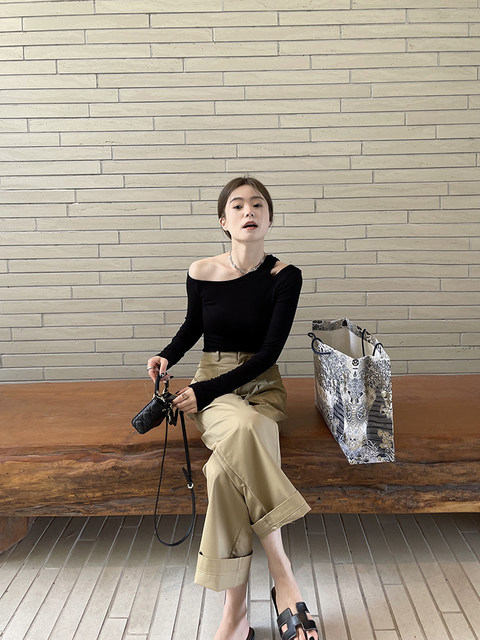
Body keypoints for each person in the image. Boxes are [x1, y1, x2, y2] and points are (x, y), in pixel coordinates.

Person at [146, 176, 318, 640]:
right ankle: (283, 572)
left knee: (223, 473)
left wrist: (202, 393)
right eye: (238, 206)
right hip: (213, 382)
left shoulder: (286, 276)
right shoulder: (202, 270)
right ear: (224, 221)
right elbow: (193, 327)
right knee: (242, 429)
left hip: (261, 385)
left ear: (269, 217)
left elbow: (269, 353)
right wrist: (167, 355)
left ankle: (235, 614)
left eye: (258, 204)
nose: (249, 211)